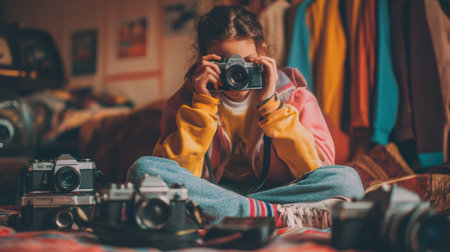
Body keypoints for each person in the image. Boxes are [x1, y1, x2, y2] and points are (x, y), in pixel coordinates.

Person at [127, 5, 364, 229]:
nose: (236, 73)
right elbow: (173, 172)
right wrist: (202, 105)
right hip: (213, 190)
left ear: (262, 51)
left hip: (276, 191)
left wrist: (271, 106)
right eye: (225, 64)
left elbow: (317, 169)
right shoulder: (186, 101)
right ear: (205, 59)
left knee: (348, 181)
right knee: (142, 171)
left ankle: (226, 212)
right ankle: (275, 214)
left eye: (245, 62)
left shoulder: (294, 96)